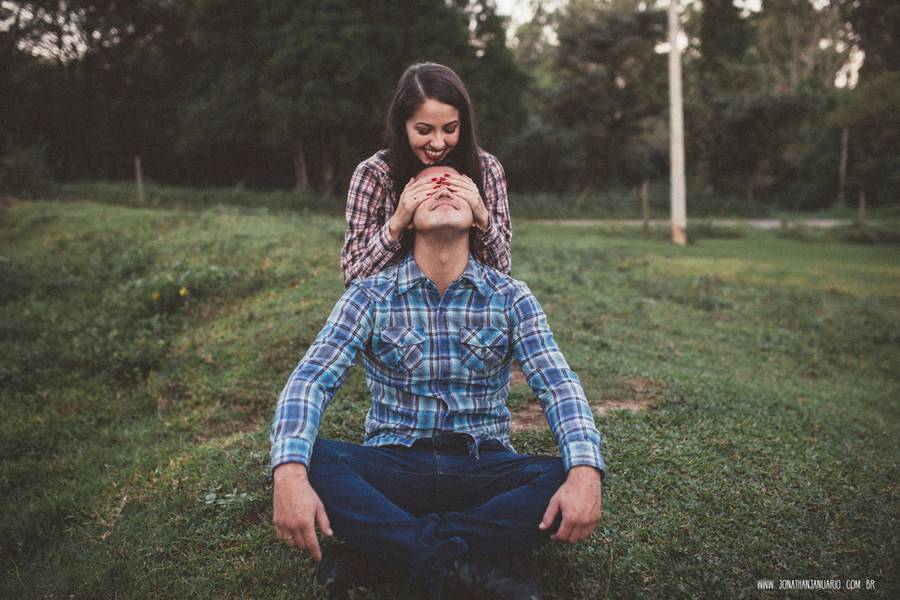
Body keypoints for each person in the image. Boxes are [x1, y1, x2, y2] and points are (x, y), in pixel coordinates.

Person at [271, 163, 605, 600]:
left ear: (479, 210)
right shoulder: (368, 295)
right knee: (305, 461)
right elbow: (311, 380)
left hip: (481, 464)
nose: (444, 188)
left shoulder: (511, 296)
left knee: (569, 471)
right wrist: (289, 472)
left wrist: (584, 470)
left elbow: (558, 384)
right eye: (428, 185)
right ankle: (465, 566)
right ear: (405, 210)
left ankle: (388, 554)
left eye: (457, 184)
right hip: (395, 465)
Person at [341, 62, 512, 287]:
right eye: (424, 130)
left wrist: (482, 218)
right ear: (403, 126)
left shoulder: (487, 169)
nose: (438, 143)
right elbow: (354, 279)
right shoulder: (374, 174)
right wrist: (396, 225)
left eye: (450, 129)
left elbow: (502, 272)